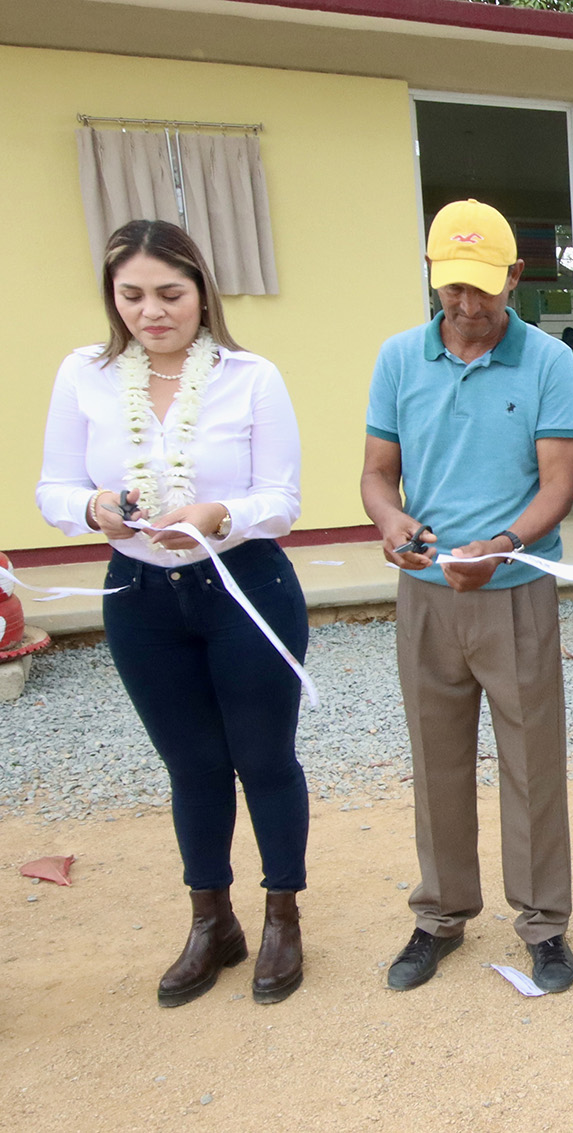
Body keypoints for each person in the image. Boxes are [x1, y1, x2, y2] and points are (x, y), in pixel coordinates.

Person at [37, 220, 311, 1007]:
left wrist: (222, 513)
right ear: (112, 298)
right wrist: (93, 506)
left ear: (201, 293)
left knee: (264, 758)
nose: (152, 311)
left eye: (170, 293)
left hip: (245, 585)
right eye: (133, 295)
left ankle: (282, 915)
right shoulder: (84, 374)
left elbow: (282, 501)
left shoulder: (250, 375)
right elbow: (52, 489)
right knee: (191, 764)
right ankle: (210, 919)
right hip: (141, 597)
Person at [361, 199, 573, 993]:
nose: (466, 306)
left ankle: (543, 924)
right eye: (452, 287)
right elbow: (377, 474)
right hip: (423, 591)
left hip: (515, 588)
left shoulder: (547, 362)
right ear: (432, 277)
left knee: (532, 762)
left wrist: (504, 545)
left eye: (483, 289)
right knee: (437, 758)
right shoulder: (398, 358)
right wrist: (391, 523)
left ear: (515, 278)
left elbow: (559, 482)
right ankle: (440, 915)